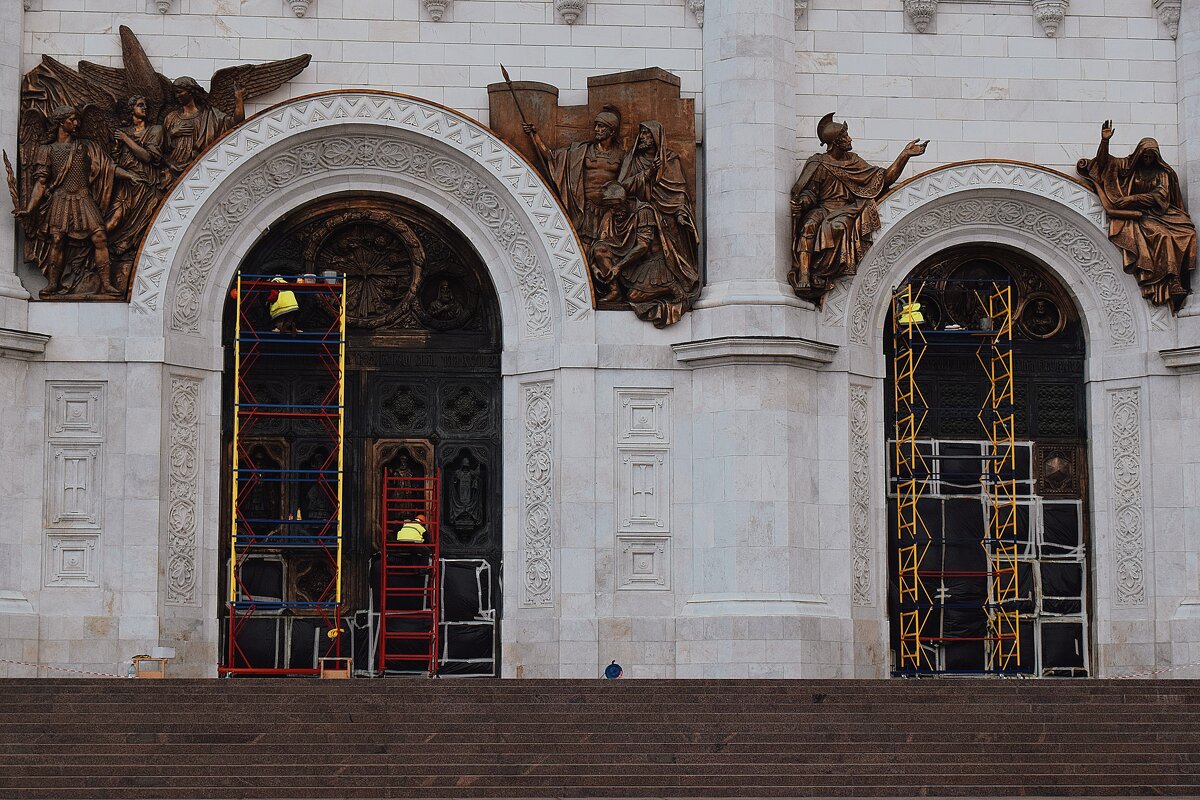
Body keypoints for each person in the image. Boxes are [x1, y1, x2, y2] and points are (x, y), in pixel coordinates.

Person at [790, 113, 927, 305]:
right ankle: (804, 275)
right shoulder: (818, 163)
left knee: (836, 227)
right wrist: (802, 203)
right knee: (809, 225)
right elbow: (809, 194)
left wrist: (904, 155)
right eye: (845, 136)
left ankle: (822, 272)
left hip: (846, 210)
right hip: (823, 208)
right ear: (836, 142)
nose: (850, 138)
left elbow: (883, 179)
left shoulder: (854, 161)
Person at [1077, 121, 1197, 313]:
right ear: (1139, 154)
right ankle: (1171, 280)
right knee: (1163, 236)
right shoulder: (1126, 166)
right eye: (1145, 156)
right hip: (1142, 216)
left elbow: (1161, 196)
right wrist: (1104, 141)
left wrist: (1133, 198)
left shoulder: (1162, 172)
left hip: (1159, 212)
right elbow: (1103, 164)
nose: (1148, 159)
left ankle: (1175, 281)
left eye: (1151, 156)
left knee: (1188, 232)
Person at [14, 105, 120, 295]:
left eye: (77, 119)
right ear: (61, 122)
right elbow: (41, 183)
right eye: (72, 119)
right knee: (57, 240)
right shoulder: (46, 150)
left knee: (100, 236)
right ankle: (53, 283)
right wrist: (30, 209)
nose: (77, 123)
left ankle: (106, 284)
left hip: (83, 197)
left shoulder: (84, 146)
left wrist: (129, 175)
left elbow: (106, 167)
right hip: (60, 198)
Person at [617, 120, 700, 298]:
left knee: (670, 255)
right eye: (642, 133)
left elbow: (679, 191)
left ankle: (675, 285)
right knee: (646, 249)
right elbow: (623, 186)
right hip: (642, 213)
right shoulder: (634, 160)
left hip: (668, 217)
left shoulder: (670, 159)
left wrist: (679, 213)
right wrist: (647, 174)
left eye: (647, 134)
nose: (643, 137)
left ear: (657, 137)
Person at [522, 105, 626, 248]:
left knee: (604, 249)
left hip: (608, 211)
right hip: (584, 209)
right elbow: (552, 157)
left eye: (601, 126)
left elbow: (627, 182)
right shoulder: (582, 151)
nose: (596, 129)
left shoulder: (621, 155)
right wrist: (535, 136)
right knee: (584, 247)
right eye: (596, 125)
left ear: (612, 131)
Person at [591, 182, 690, 328]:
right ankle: (614, 291)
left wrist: (618, 266)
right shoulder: (610, 215)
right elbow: (600, 243)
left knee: (633, 297)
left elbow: (643, 246)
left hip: (651, 263)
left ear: (624, 201)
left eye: (616, 206)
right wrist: (594, 266)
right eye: (611, 208)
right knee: (600, 249)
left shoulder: (644, 211)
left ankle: (670, 287)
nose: (614, 211)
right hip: (627, 261)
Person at [106, 95, 165, 260]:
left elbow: (147, 157)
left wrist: (126, 139)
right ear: (131, 109)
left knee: (142, 221)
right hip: (125, 183)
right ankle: (96, 250)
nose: (144, 108)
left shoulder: (155, 130)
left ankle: (125, 245)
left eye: (145, 105)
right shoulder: (123, 132)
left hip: (145, 185)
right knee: (115, 220)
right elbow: (113, 159)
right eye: (140, 105)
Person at [164, 76, 245, 176]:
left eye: (179, 92)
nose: (176, 96)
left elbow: (236, 122)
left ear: (190, 92)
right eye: (175, 93)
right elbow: (162, 148)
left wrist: (238, 97)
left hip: (201, 168)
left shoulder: (209, 115)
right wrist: (172, 133)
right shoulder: (171, 118)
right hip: (173, 169)